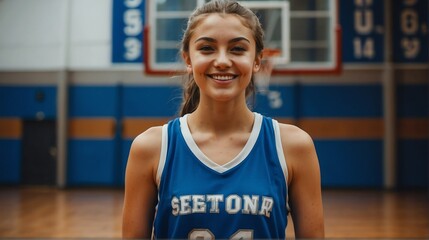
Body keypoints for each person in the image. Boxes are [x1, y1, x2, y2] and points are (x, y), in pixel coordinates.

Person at [122, 0, 324, 238]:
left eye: (237, 49)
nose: (222, 60)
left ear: (257, 60)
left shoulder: (293, 146)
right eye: (207, 48)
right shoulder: (152, 147)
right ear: (188, 59)